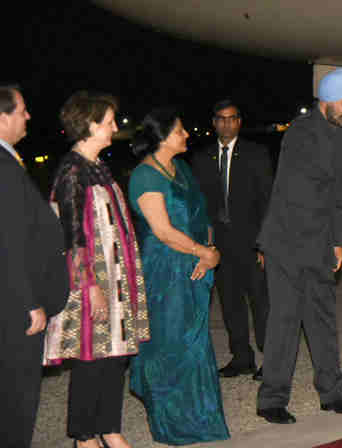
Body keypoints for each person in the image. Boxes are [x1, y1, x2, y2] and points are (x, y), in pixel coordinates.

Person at [254, 68, 342, 424]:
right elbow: (323, 186)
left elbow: (333, 186)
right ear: (328, 99)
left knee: (322, 319)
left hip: (317, 240)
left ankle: (332, 394)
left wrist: (336, 241)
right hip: (286, 241)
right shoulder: (300, 134)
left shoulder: (337, 133)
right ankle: (271, 400)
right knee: (285, 321)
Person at [43, 91, 150, 448]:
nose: (115, 127)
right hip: (91, 280)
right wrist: (89, 286)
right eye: (108, 122)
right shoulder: (72, 170)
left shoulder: (98, 166)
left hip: (115, 280)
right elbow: (71, 236)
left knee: (115, 356)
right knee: (91, 359)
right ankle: (83, 435)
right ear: (89, 126)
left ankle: (109, 428)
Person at [128, 108, 230, 444]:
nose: (187, 135)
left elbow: (200, 214)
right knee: (169, 345)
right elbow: (163, 231)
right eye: (180, 130)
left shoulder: (181, 168)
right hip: (164, 272)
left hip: (194, 264)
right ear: (162, 137)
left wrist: (209, 248)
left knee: (196, 345)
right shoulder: (145, 176)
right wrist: (204, 253)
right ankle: (172, 424)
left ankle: (200, 419)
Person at [0, 84, 69, 448]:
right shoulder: (3, 168)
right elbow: (7, 243)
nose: (27, 116)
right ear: (2, 117)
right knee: (16, 401)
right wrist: (28, 303)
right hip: (15, 310)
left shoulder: (10, 162)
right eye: (22, 109)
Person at [191, 99, 273, 381]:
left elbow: (267, 201)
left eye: (232, 118)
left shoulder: (256, 154)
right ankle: (241, 357)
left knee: (260, 302)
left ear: (240, 121)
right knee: (230, 303)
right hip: (219, 245)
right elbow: (199, 205)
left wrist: (265, 244)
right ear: (214, 123)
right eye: (221, 119)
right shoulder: (202, 158)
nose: (227, 124)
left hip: (251, 242)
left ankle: (271, 360)